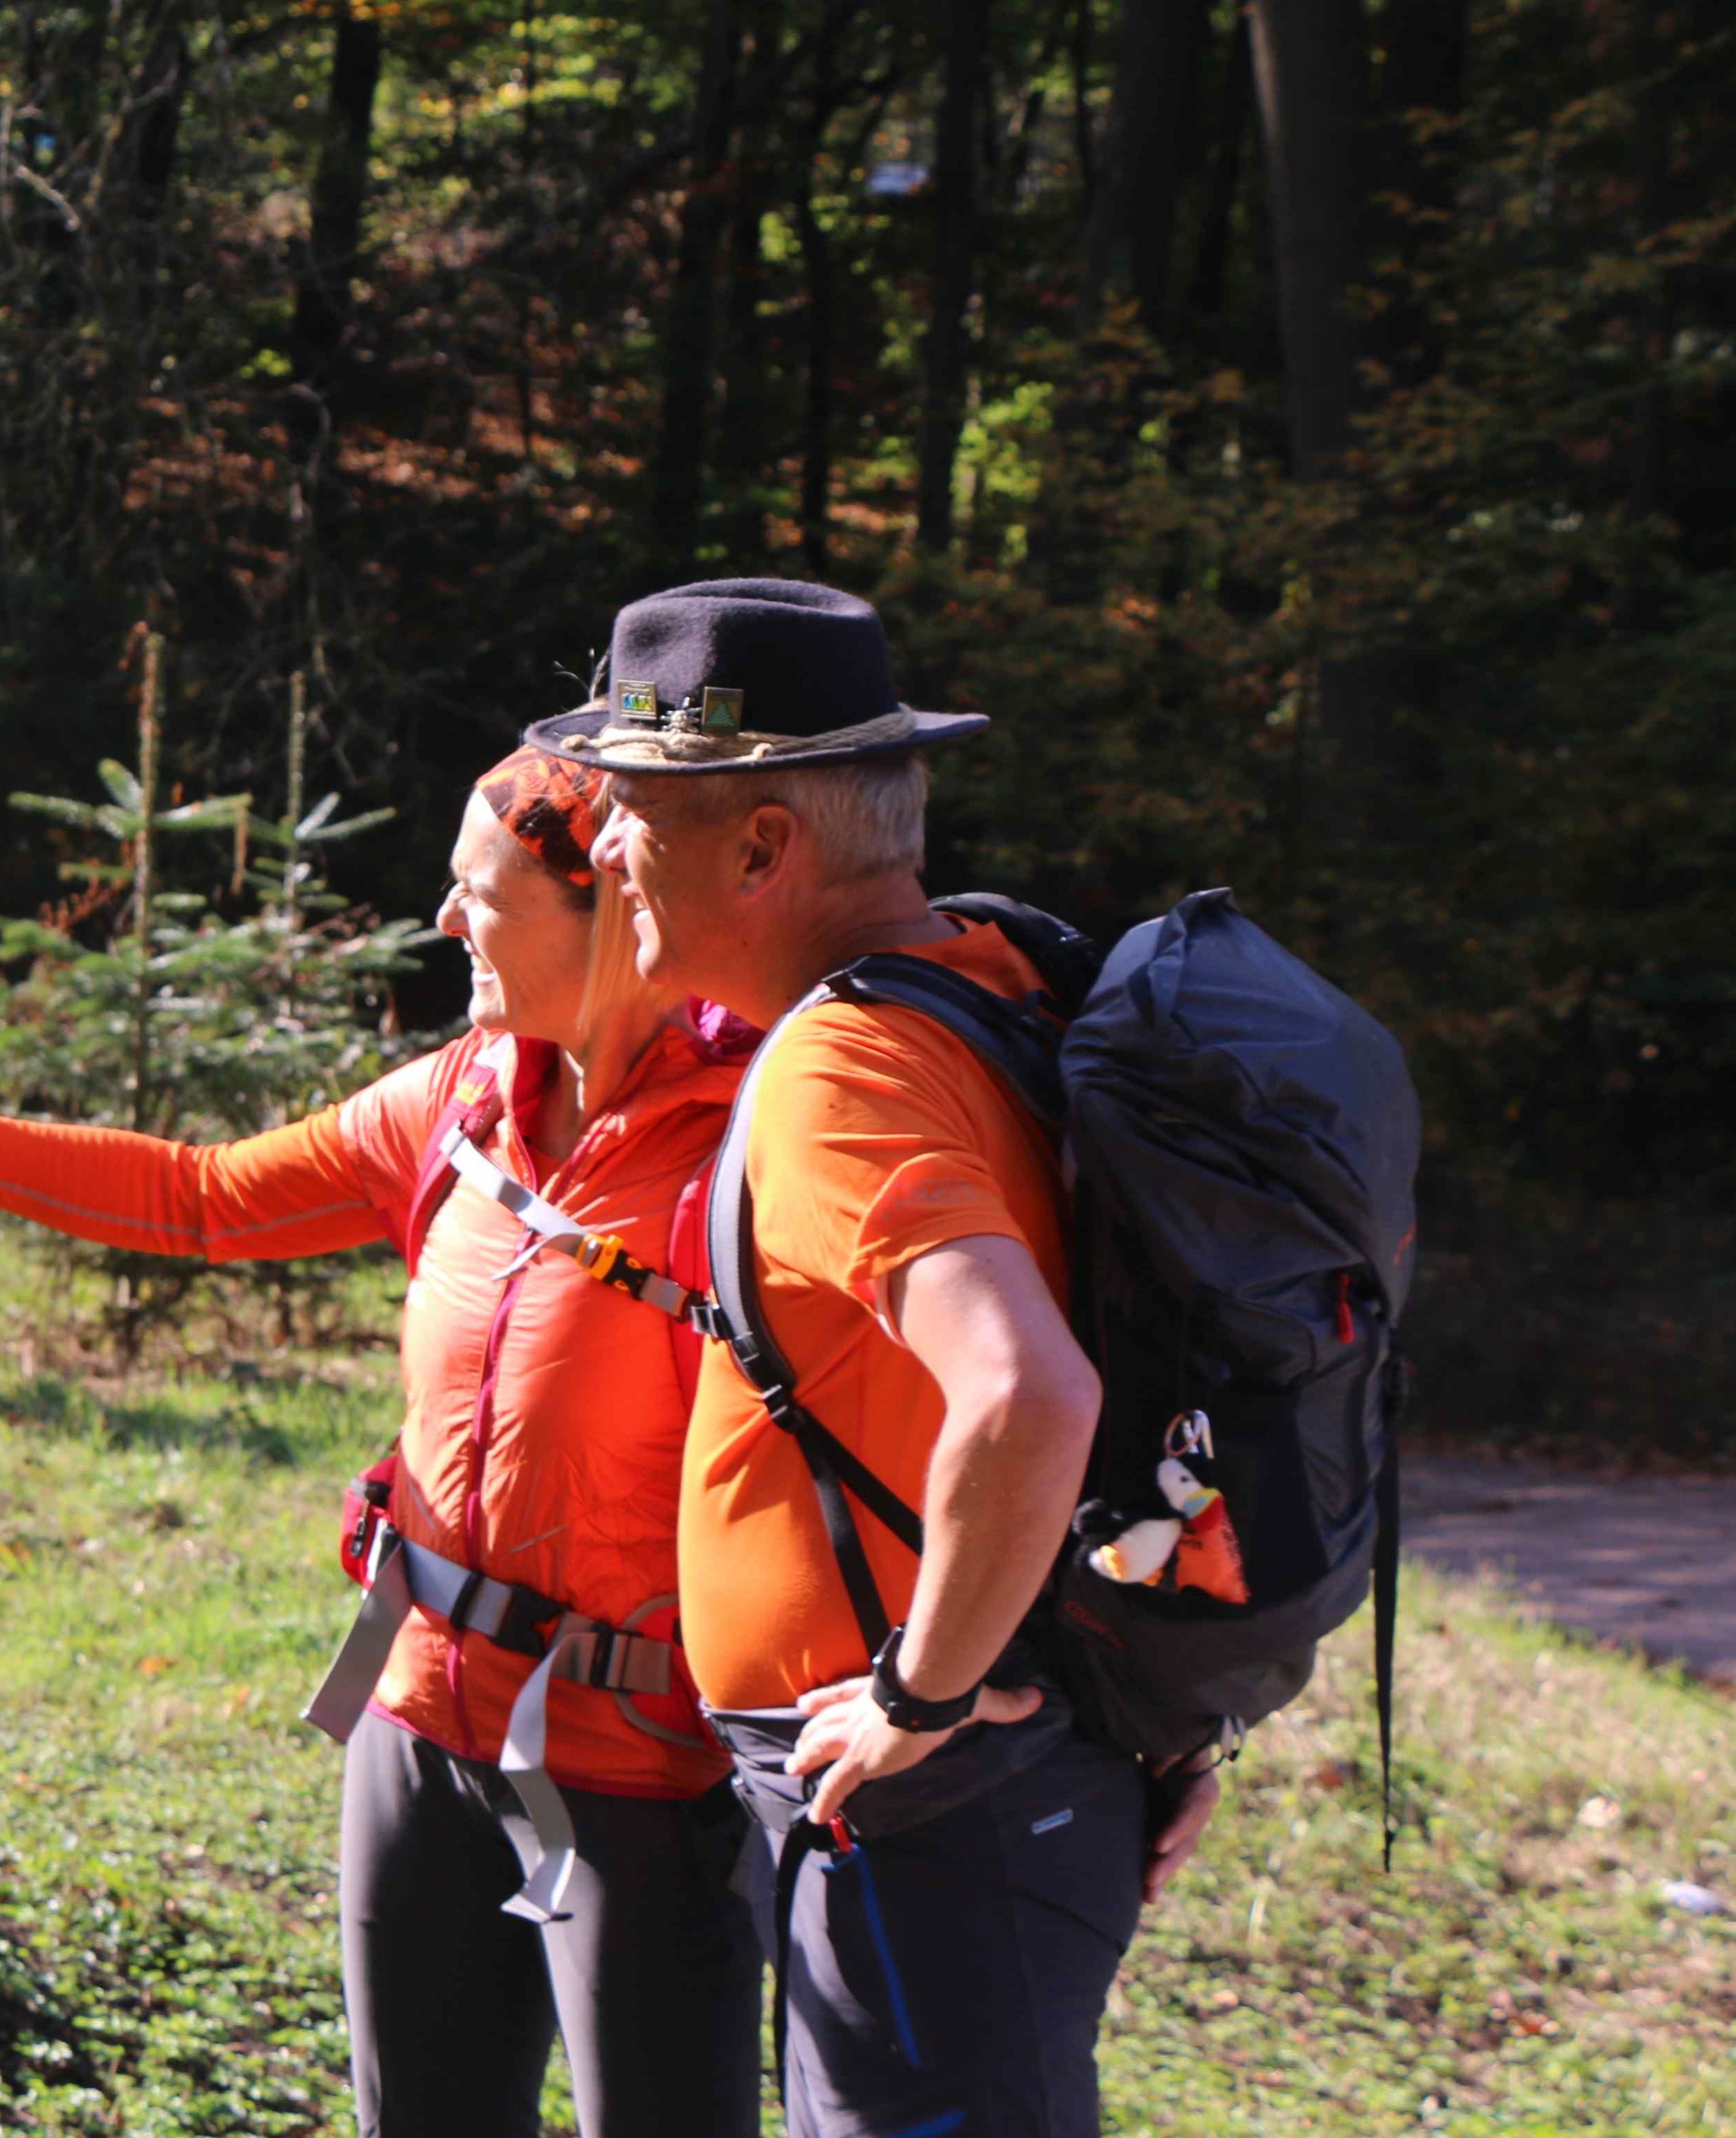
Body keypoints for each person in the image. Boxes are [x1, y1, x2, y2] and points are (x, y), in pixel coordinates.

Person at [0, 743, 765, 2138]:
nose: (445, 922)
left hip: (638, 1766)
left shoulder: (749, 1138)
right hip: (415, 1726)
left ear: (612, 909)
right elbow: (203, 1199)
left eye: (479, 893)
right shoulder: (456, 1100)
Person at [544, 579, 1223, 2138]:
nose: (606, 851)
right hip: (1012, 1763)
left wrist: (924, 1688)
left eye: (635, 812)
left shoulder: (847, 1064)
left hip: (933, 1796)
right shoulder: (997, 973)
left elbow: (1033, 1386)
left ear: (765, 843)